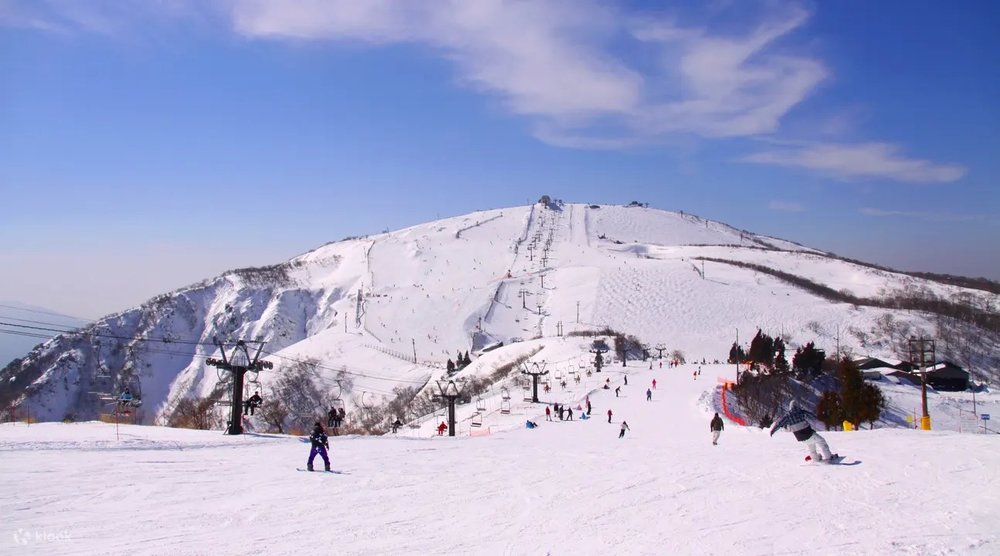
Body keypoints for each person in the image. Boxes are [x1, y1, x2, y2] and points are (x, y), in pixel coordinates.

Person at [770, 400, 835, 462]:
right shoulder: (802, 412)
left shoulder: (787, 416)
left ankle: (815, 458)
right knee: (822, 441)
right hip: (809, 434)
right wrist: (822, 418)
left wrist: (772, 431)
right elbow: (812, 416)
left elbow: (779, 424)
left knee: (810, 443)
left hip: (800, 438)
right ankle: (828, 457)